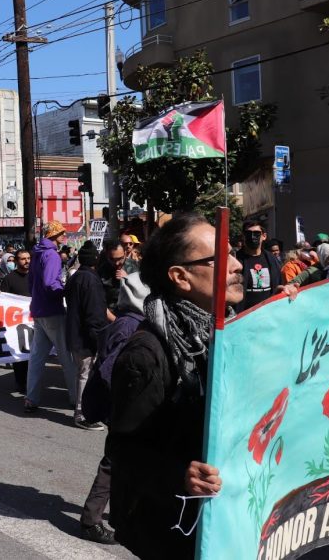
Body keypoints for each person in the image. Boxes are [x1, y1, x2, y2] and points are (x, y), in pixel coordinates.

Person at [108, 213, 236, 559]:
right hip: (171, 525)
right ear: (180, 276)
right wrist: (180, 475)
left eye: (233, 252)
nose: (237, 265)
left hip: (227, 516)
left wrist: (290, 314)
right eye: (221, 259)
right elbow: (121, 450)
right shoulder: (146, 354)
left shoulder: (231, 331)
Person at [78, 273, 150, 547]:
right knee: (113, 462)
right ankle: (91, 520)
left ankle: (121, 514)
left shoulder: (127, 322)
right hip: (123, 409)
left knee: (127, 461)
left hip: (121, 408)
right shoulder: (129, 327)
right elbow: (113, 373)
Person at [26, 221, 74, 414]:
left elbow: (33, 283)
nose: (64, 236)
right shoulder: (52, 255)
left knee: (37, 358)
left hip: (38, 310)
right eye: (62, 233)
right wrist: (66, 291)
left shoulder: (36, 253)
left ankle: (31, 398)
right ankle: (76, 398)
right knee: (67, 357)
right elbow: (50, 283)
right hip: (52, 311)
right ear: (54, 235)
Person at [64, 241, 109, 431]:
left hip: (76, 333)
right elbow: (94, 312)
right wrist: (98, 337)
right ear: (95, 260)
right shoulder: (90, 280)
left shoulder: (76, 277)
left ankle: (86, 411)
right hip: (85, 336)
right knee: (85, 374)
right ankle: (82, 414)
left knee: (83, 373)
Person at [0, 249, 31, 394]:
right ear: (17, 261)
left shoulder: (35, 277)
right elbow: (4, 302)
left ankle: (31, 381)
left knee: (33, 354)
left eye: (28, 258)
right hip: (16, 323)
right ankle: (21, 382)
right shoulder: (9, 279)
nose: (27, 261)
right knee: (19, 355)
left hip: (34, 322)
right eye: (23, 259)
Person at [99, 240, 140, 316]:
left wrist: (128, 279)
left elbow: (142, 292)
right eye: (112, 259)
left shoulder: (135, 267)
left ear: (125, 253)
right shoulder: (101, 270)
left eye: (120, 258)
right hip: (108, 316)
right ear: (107, 256)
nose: (117, 263)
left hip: (130, 315)